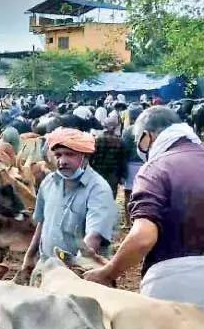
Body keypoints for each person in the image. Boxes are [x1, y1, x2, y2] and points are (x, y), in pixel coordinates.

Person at [83, 107, 204, 306]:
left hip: (174, 287)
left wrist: (109, 271)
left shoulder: (156, 169)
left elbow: (143, 237)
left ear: (147, 136)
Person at [21, 128, 117, 272]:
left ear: (84, 157)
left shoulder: (98, 189)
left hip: (81, 271)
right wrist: (29, 256)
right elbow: (42, 222)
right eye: (58, 155)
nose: (62, 161)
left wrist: (76, 267)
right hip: (46, 266)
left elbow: (94, 236)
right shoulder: (48, 182)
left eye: (70, 155)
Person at [89, 116, 127, 197]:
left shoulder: (97, 139)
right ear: (115, 127)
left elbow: (91, 157)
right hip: (113, 174)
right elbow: (122, 160)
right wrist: (122, 175)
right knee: (110, 196)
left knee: (96, 195)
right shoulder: (120, 141)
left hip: (98, 172)